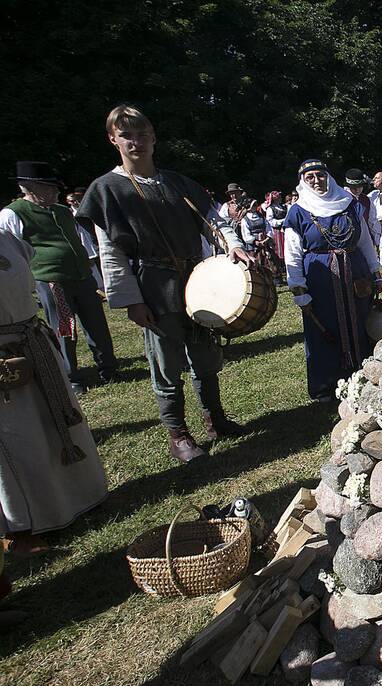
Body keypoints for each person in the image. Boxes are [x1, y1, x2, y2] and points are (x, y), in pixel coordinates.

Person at [77, 104, 251, 463]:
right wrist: (130, 300)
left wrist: (233, 244)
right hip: (154, 285)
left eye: (142, 134)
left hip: (197, 281)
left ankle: (214, 419)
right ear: (113, 140)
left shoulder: (176, 183)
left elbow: (213, 221)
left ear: (153, 138)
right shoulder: (108, 190)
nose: (135, 142)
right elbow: (111, 252)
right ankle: (178, 434)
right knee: (166, 365)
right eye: (126, 135)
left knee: (205, 354)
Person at [0, 233, 108, 556]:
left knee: (54, 426)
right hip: (5, 362)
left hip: (33, 343)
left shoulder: (7, 238)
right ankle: (22, 528)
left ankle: (78, 498)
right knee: (18, 444)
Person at [1, 162, 117, 393]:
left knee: (96, 322)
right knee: (64, 327)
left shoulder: (63, 211)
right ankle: (71, 376)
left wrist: (93, 272)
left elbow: (81, 241)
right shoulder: (12, 213)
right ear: (29, 187)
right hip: (52, 279)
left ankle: (108, 367)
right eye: (49, 187)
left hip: (81, 276)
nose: (55, 192)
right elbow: (10, 252)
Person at [285, 159, 381, 402]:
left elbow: (365, 242)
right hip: (320, 280)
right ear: (303, 182)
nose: (317, 181)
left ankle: (361, 376)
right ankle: (326, 385)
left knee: (360, 322)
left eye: (320, 175)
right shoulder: (298, 211)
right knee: (324, 329)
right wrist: (299, 289)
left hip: (355, 273)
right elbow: (292, 253)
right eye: (310, 178)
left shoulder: (349, 204)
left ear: (328, 176)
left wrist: (375, 271)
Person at [343, 168, 381, 248]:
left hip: (365, 241)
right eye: (354, 187)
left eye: (359, 187)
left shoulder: (366, 200)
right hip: (346, 242)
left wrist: (377, 241)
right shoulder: (341, 199)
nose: (357, 190)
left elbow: (372, 222)